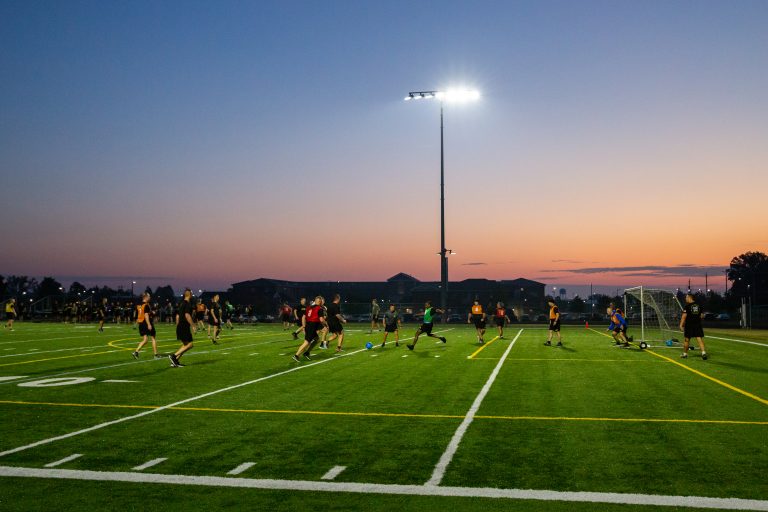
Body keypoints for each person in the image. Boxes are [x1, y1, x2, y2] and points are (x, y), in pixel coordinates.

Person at [293, 296, 327, 362]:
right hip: (312, 325)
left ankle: (307, 352)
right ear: (320, 302)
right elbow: (321, 320)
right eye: (322, 301)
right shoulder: (319, 308)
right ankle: (296, 355)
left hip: (309, 325)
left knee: (317, 339)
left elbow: (303, 317)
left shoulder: (308, 307)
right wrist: (325, 325)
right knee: (306, 342)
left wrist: (304, 326)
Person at [170, 289, 196, 367]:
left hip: (180, 326)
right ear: (190, 295)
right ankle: (173, 356)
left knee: (185, 345)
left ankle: (175, 361)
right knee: (190, 345)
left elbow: (177, 316)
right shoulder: (187, 303)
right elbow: (187, 315)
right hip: (184, 326)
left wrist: (178, 326)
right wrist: (193, 325)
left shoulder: (181, 303)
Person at [680, 294, 708, 360]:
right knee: (699, 339)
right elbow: (701, 316)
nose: (685, 299)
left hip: (689, 325)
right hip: (697, 325)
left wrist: (681, 325)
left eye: (686, 297)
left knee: (687, 340)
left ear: (690, 298)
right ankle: (703, 353)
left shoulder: (687, 306)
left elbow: (684, 317)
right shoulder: (699, 306)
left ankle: (685, 354)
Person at [132, 293, 159, 359]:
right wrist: (149, 324)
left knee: (145, 340)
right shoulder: (146, 305)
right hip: (146, 322)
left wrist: (136, 323)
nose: (150, 297)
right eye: (149, 296)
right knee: (153, 338)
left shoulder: (139, 305)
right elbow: (146, 315)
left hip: (141, 323)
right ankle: (155, 355)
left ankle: (136, 352)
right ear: (146, 297)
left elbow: (140, 314)